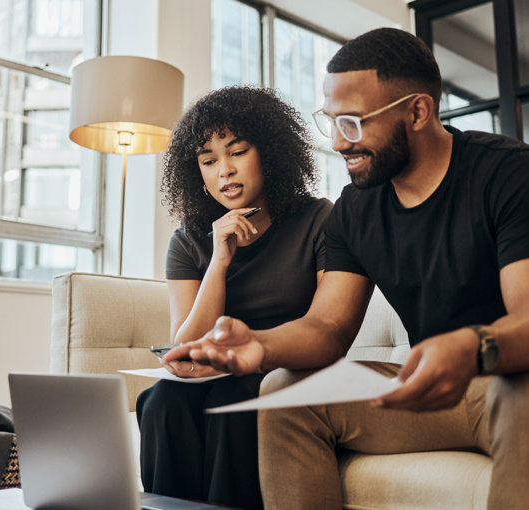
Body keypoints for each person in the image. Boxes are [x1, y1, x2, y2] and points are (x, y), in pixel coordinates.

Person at [165, 28, 529, 510]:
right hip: (431, 393)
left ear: (418, 111)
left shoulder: (506, 175)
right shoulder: (356, 209)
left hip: (509, 379)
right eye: (331, 121)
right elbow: (329, 326)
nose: (338, 142)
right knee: (284, 391)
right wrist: (261, 344)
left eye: (354, 123)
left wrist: (474, 344)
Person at [136, 86, 332, 510]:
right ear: (199, 176)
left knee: (234, 398)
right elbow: (185, 344)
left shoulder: (318, 220)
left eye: (237, 152)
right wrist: (218, 262)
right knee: (161, 400)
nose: (224, 170)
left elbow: (325, 328)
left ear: (271, 153)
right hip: (212, 373)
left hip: (284, 368)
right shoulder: (189, 240)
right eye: (209, 161)